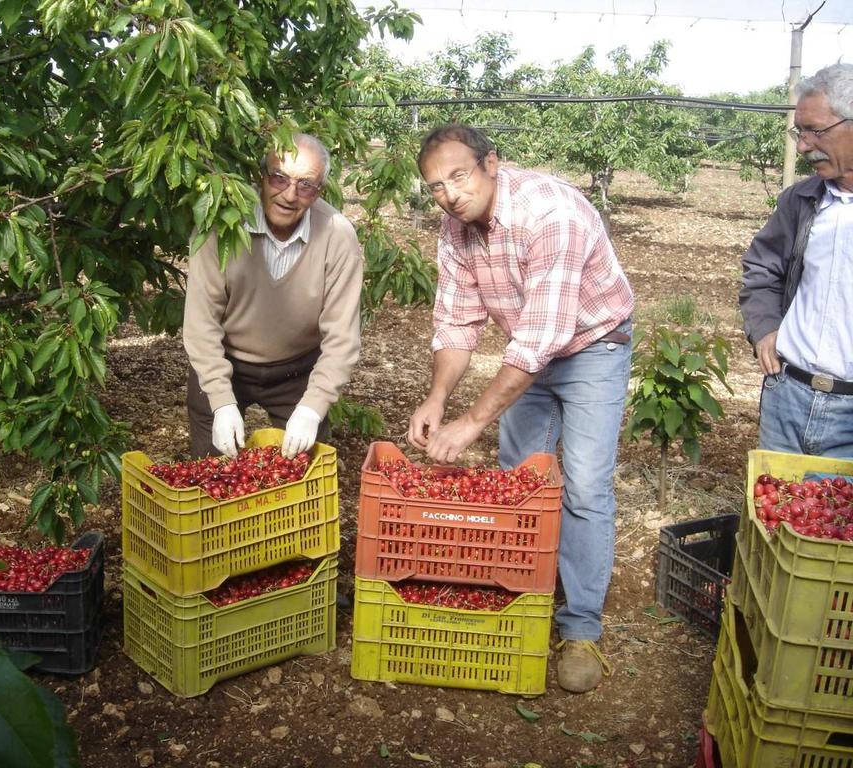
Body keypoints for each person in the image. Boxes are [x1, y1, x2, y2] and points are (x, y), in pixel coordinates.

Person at [407, 124, 634, 693]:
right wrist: (438, 399)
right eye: (436, 186)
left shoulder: (550, 213)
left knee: (583, 484)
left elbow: (542, 338)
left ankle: (580, 626)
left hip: (592, 345)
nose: (450, 194)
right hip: (527, 349)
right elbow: (457, 321)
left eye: (458, 176)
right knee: (519, 475)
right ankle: (520, 595)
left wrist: (471, 421)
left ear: (491, 164)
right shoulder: (455, 230)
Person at [183, 133, 363, 459]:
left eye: (306, 185)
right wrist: (222, 402)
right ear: (261, 177)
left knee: (302, 478)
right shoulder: (219, 228)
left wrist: (313, 407)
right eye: (279, 178)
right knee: (211, 472)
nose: (289, 195)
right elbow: (201, 323)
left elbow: (342, 337)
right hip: (225, 361)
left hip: (296, 370)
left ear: (319, 190)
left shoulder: (336, 235)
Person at [740, 62, 853, 458]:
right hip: (787, 397)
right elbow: (762, 269)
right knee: (776, 513)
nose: (803, 145)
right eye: (799, 131)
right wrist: (765, 327)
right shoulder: (801, 201)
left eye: (815, 131)